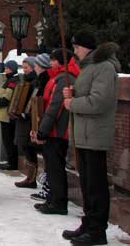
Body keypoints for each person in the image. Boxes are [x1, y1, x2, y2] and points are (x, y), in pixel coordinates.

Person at [62, 33, 120, 246]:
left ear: (86, 47)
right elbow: (88, 94)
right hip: (84, 135)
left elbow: (100, 101)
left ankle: (97, 230)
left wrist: (73, 103)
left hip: (95, 134)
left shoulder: (104, 67)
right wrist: (73, 92)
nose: (75, 51)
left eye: (76, 47)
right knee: (87, 183)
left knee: (95, 184)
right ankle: (88, 223)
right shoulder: (90, 67)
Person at [32, 48, 80, 215]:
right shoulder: (58, 77)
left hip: (57, 131)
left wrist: (43, 130)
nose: (50, 63)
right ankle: (53, 198)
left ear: (60, 62)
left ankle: (58, 202)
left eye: (53, 60)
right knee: (52, 167)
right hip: (54, 130)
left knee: (56, 167)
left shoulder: (64, 79)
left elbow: (55, 106)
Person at [28, 53, 52, 201]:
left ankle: (49, 189)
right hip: (42, 122)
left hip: (47, 124)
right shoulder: (41, 81)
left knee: (50, 158)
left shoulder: (45, 80)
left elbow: (45, 103)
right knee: (47, 157)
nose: (34, 67)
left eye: (36, 65)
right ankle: (47, 188)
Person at [13, 57, 38, 188]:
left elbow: (34, 100)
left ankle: (31, 178)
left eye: (27, 67)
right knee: (24, 146)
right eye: (23, 67)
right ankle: (29, 177)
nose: (24, 70)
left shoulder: (34, 82)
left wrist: (26, 112)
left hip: (28, 119)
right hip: (22, 119)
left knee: (29, 146)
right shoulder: (24, 81)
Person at [0, 60, 19, 170]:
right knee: (7, 139)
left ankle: (12, 163)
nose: (5, 70)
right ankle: (10, 161)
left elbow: (7, 98)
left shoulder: (12, 81)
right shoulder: (8, 80)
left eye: (8, 68)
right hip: (3, 115)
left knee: (8, 140)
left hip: (6, 115)